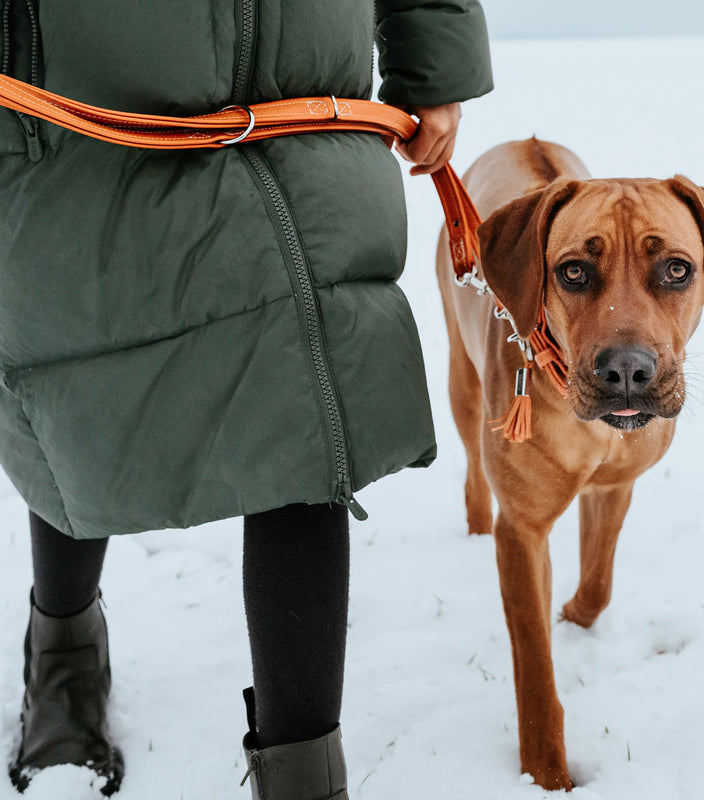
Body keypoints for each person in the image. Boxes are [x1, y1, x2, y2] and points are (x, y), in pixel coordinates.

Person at [0, 1, 492, 798]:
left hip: (308, 113)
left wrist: (437, 59)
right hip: (74, 116)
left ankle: (302, 780)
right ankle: (63, 659)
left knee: (304, 430)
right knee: (78, 396)